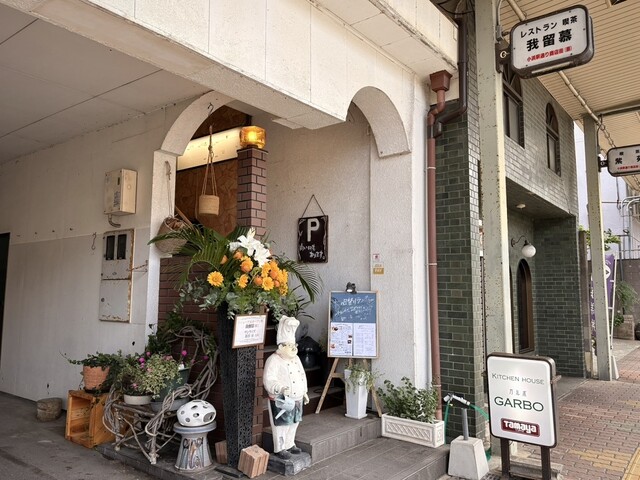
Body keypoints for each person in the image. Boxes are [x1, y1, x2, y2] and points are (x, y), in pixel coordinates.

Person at [263, 316, 309, 459]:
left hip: (297, 397)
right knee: (281, 425)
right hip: (281, 399)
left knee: (294, 423)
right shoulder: (273, 360)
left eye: (294, 345)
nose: (294, 348)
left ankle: (290, 444)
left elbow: (302, 375)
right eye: (290, 345)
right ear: (281, 347)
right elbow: (269, 379)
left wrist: (305, 392)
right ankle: (280, 447)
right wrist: (280, 388)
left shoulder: (296, 359)